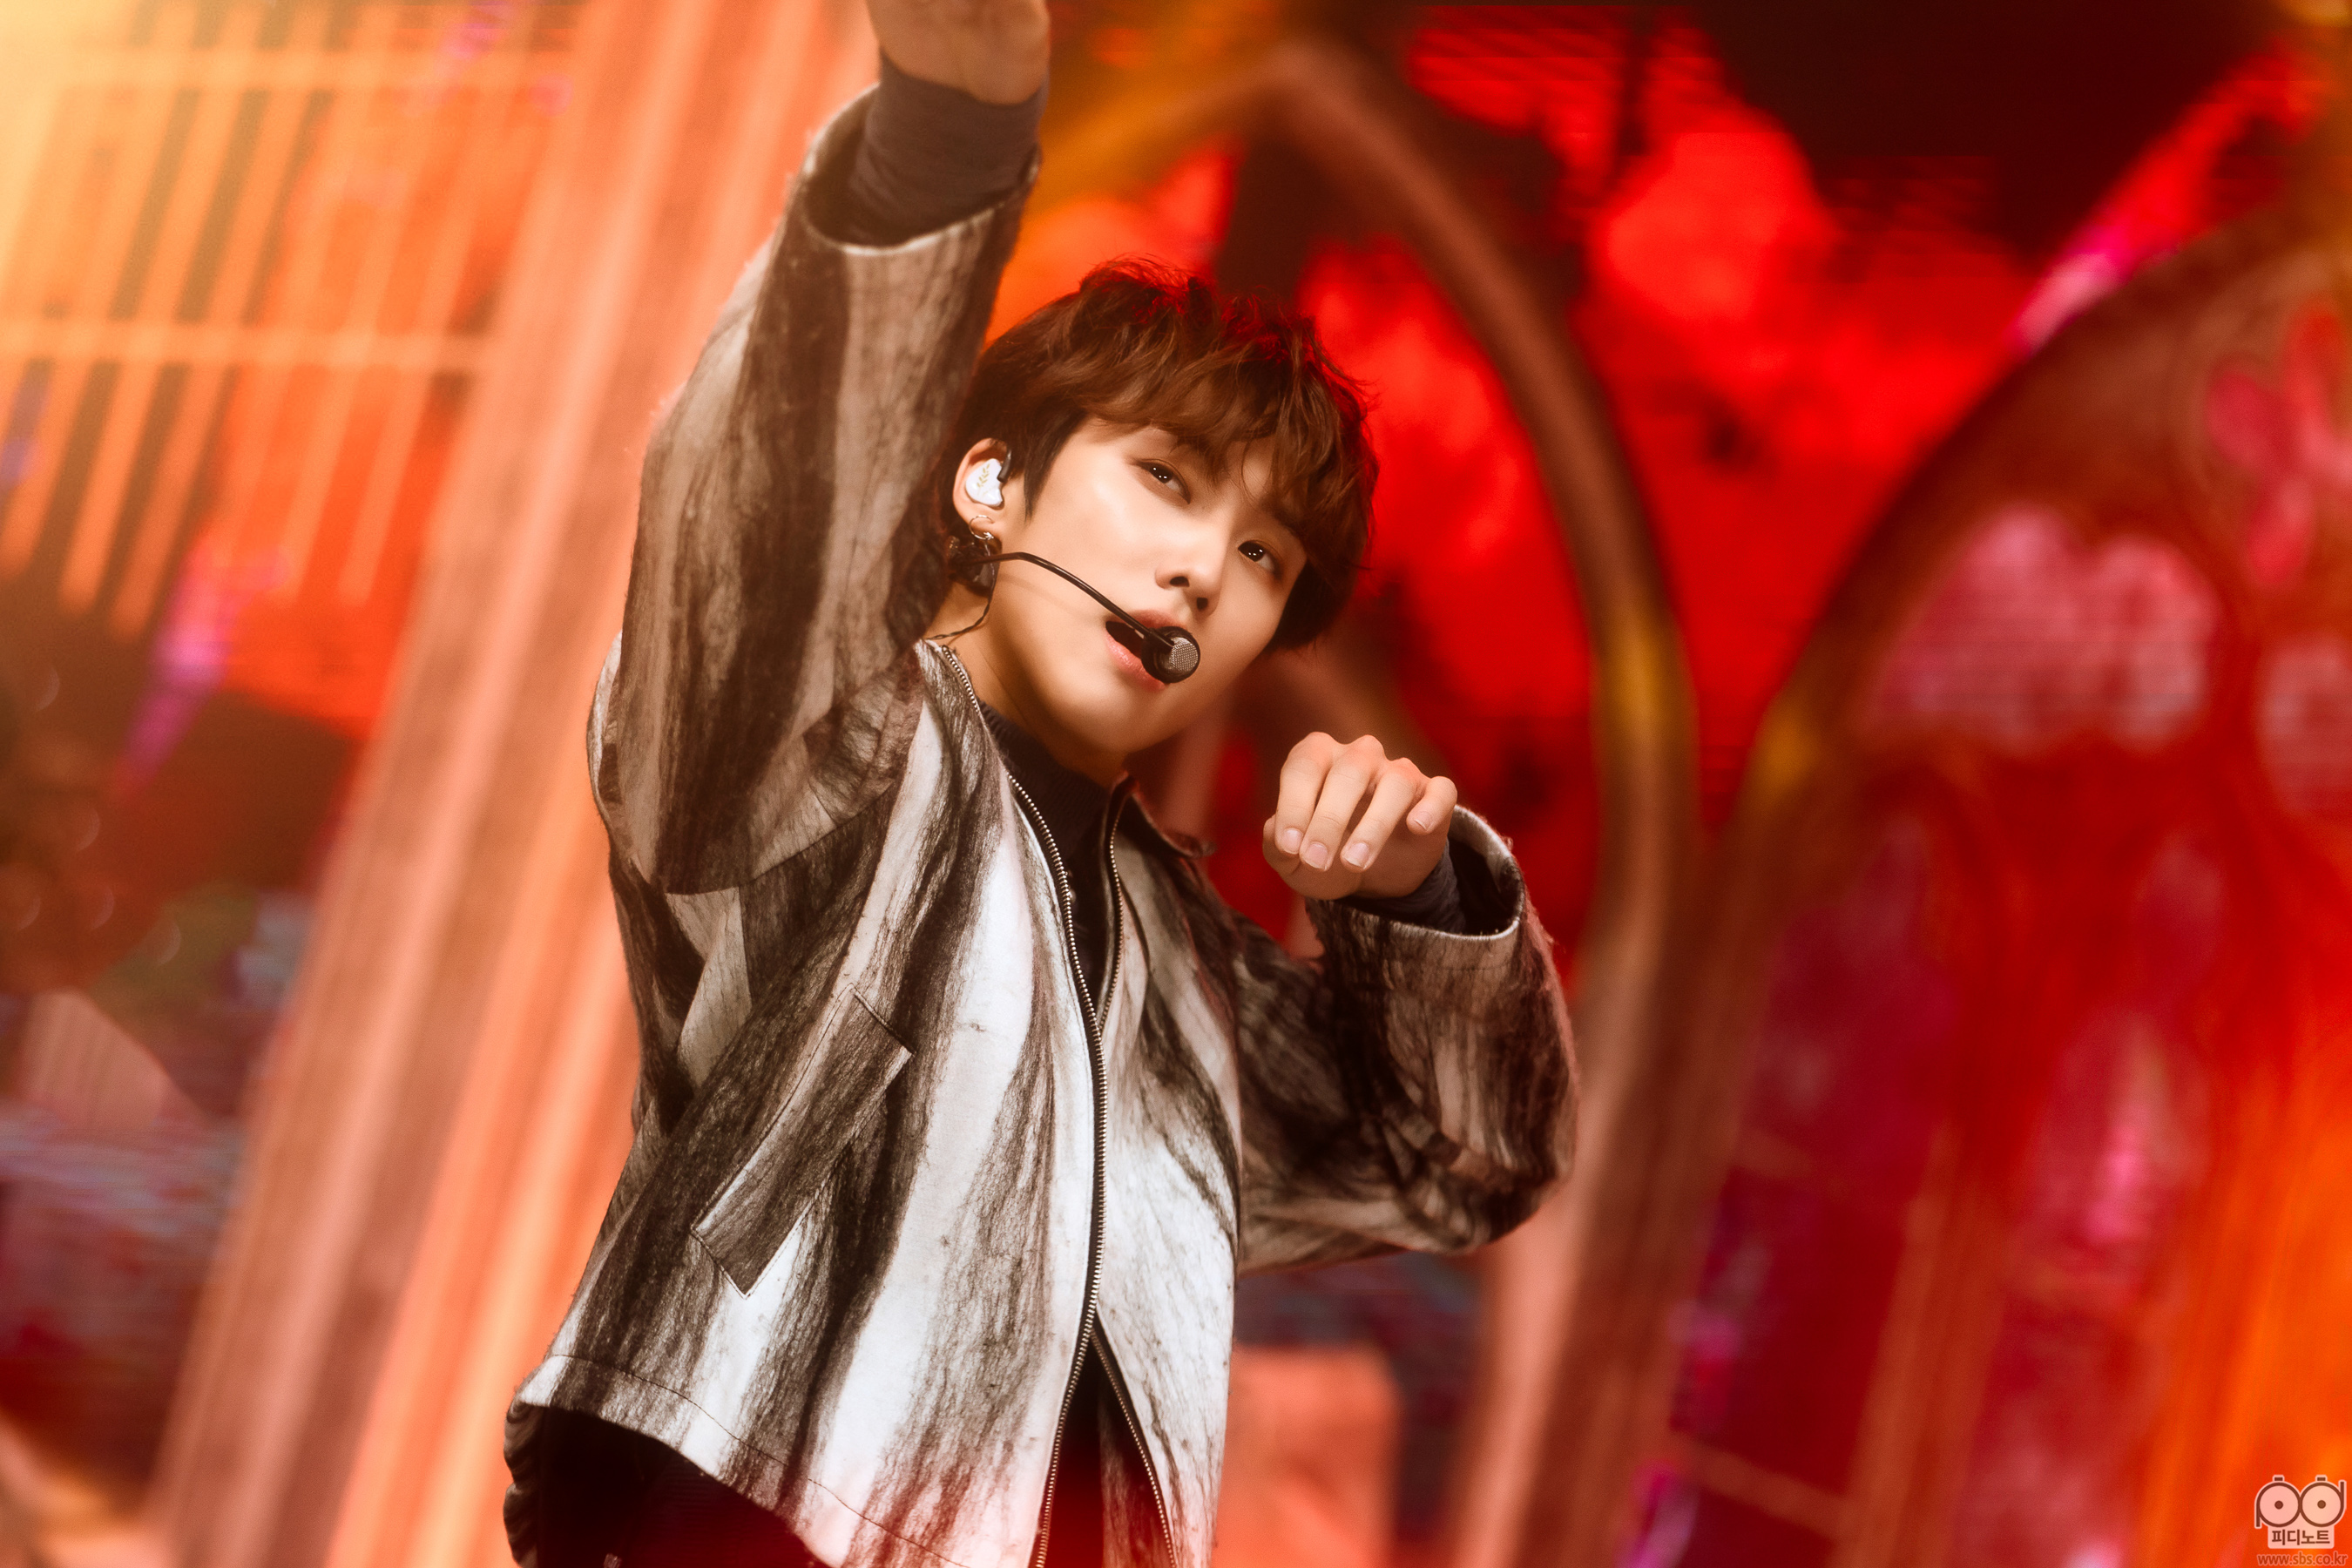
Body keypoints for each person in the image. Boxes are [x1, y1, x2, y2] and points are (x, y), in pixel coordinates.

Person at [502, 1, 1577, 1564]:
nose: (1202, 568)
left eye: (1264, 555)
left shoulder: (1183, 967)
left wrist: (1427, 905)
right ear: (991, 481)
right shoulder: (828, 753)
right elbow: (751, 546)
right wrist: (942, 144)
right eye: (1166, 478)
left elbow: (1464, 1173)